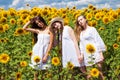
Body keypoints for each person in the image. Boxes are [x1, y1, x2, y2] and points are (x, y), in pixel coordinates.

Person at [74, 15, 106, 79]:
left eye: (81, 19)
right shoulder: (81, 32)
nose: (80, 22)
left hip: (95, 53)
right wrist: (82, 55)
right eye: (78, 21)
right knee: (89, 75)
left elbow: (98, 41)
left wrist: (100, 54)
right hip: (87, 55)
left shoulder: (92, 29)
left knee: (99, 73)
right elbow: (81, 45)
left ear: (85, 19)